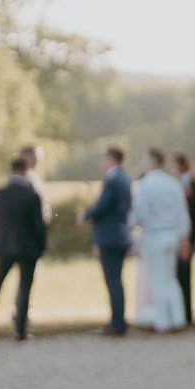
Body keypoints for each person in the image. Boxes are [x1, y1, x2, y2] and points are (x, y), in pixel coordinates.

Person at [0, 152, 48, 340]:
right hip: (28, 247)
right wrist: (41, 246)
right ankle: (20, 329)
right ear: (25, 171)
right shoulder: (32, 195)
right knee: (25, 286)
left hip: (5, 245)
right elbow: (39, 225)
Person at [131, 147, 190, 334]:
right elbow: (182, 214)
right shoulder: (173, 184)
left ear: (151, 162)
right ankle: (178, 318)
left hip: (154, 234)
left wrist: (131, 226)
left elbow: (139, 214)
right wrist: (184, 238)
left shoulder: (145, 185)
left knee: (157, 279)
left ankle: (164, 321)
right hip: (172, 234)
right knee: (170, 278)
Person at [81, 143, 134, 336]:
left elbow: (102, 207)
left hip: (110, 236)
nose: (101, 161)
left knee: (113, 281)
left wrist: (85, 215)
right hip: (120, 235)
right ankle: (118, 320)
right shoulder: (124, 179)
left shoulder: (112, 180)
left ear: (112, 158)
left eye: (103, 157)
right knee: (116, 280)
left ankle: (117, 323)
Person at [170, 150, 195, 324]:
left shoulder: (188, 180)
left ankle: (186, 313)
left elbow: (186, 196)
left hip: (187, 233)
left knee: (184, 271)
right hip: (180, 232)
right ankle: (181, 311)